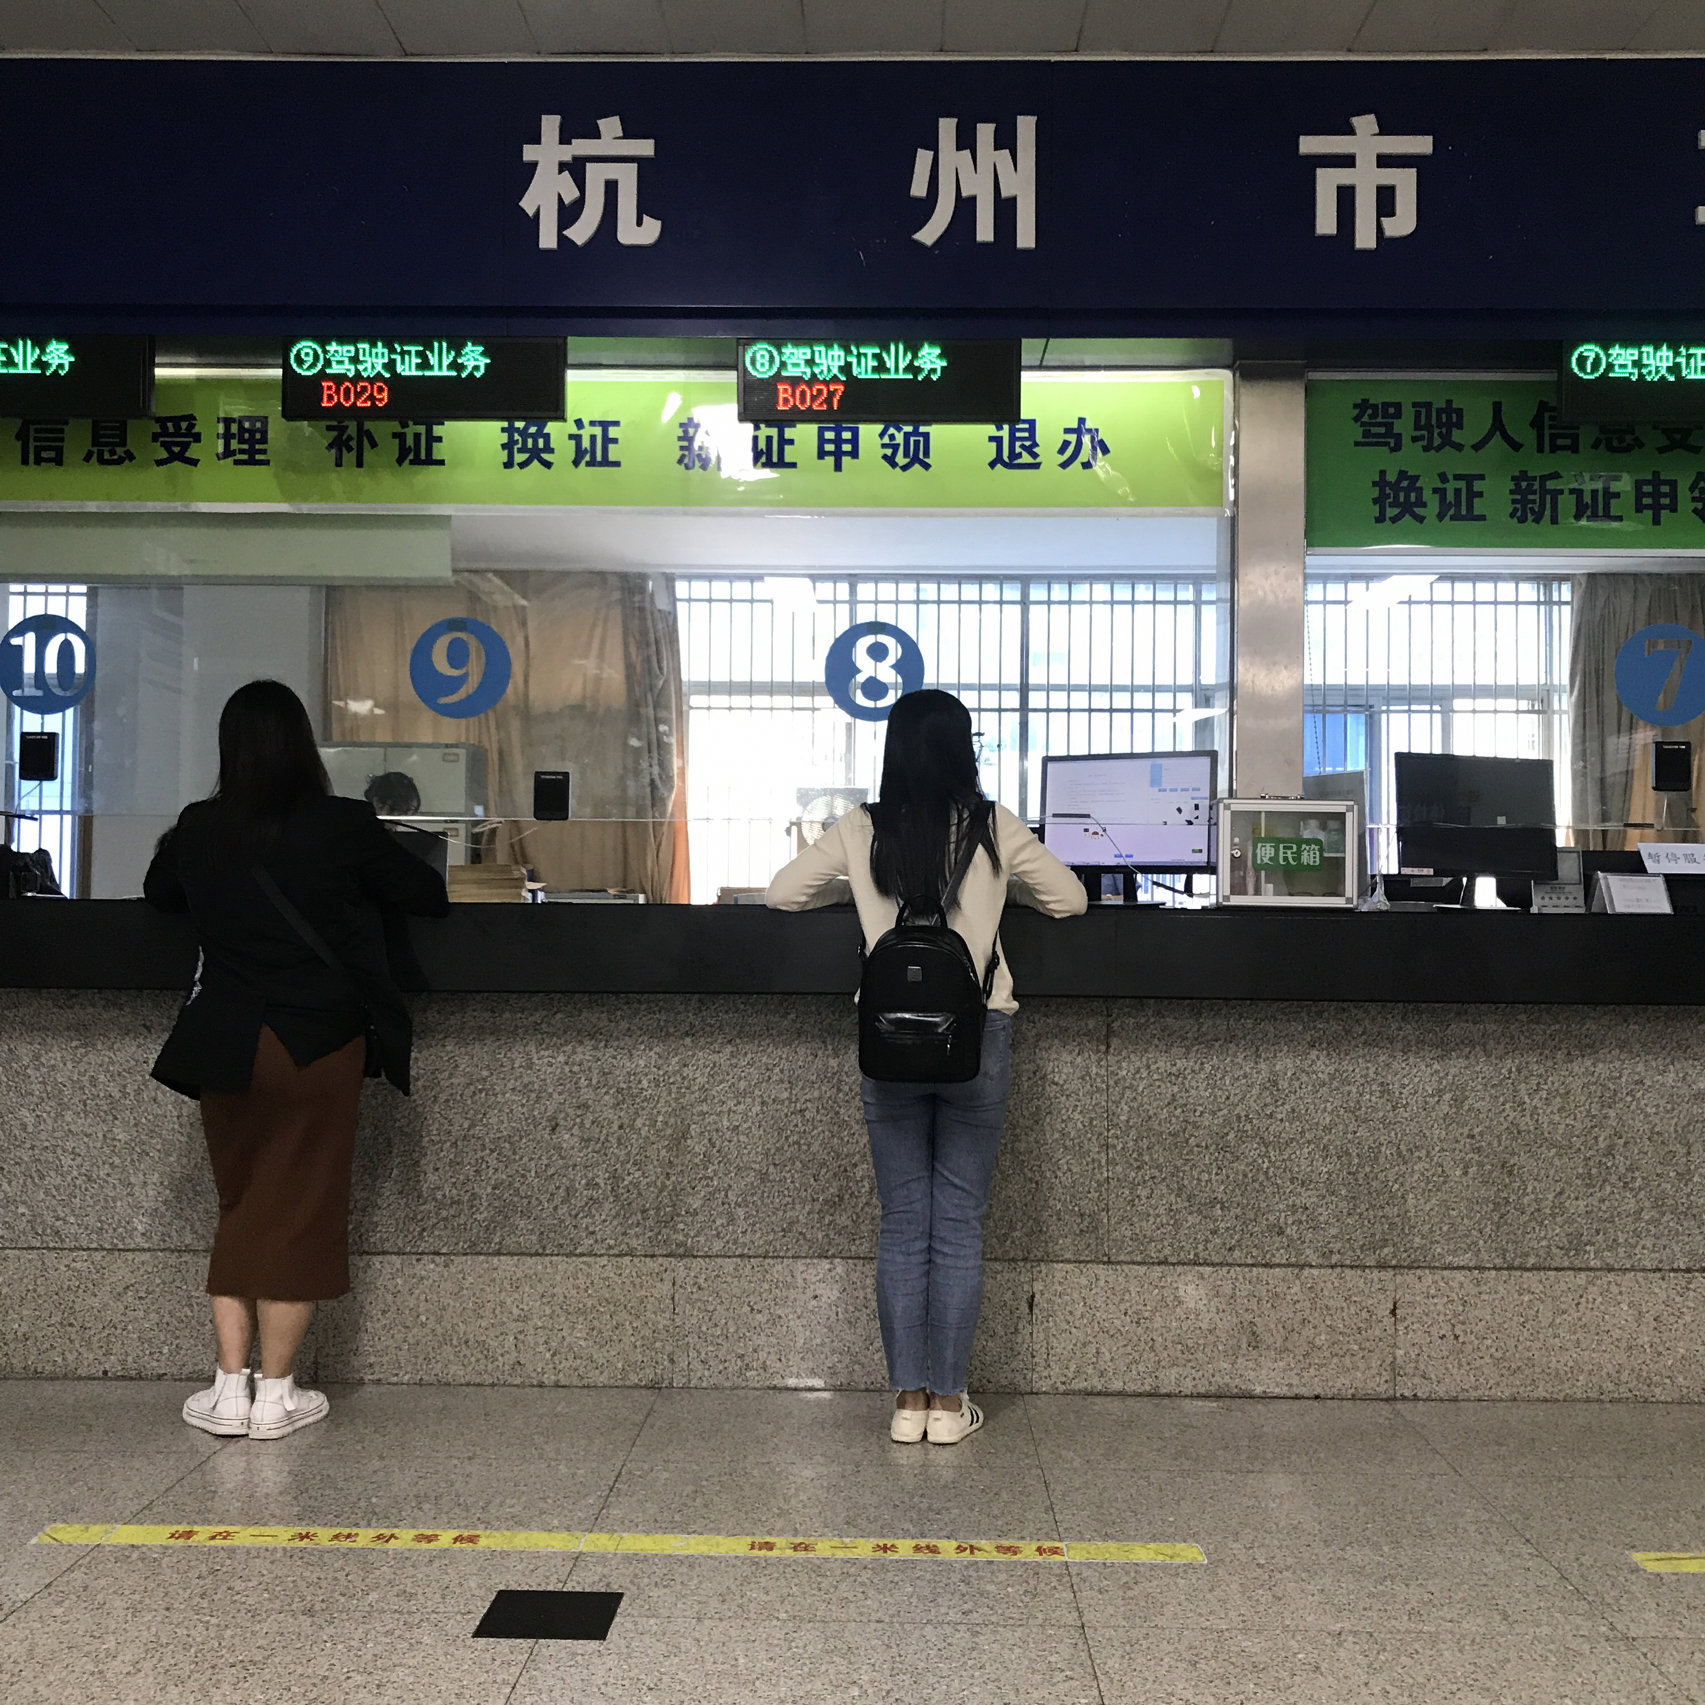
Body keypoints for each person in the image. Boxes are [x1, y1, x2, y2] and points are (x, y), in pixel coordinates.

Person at [766, 690, 1086, 1445]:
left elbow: (782, 894)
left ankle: (906, 1402)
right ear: (963, 750)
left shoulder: (861, 826)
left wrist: (856, 887)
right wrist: (998, 893)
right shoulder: (992, 826)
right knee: (960, 1221)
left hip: (889, 1042)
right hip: (977, 1038)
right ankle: (948, 1404)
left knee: (904, 1219)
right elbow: (1070, 900)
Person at [145, 680, 449, 1440]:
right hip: (317, 1042)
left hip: (227, 1042)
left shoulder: (201, 827)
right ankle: (276, 1395)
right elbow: (426, 892)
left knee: (241, 1202)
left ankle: (228, 1390)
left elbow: (159, 891)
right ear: (302, 745)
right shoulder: (341, 824)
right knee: (303, 1206)